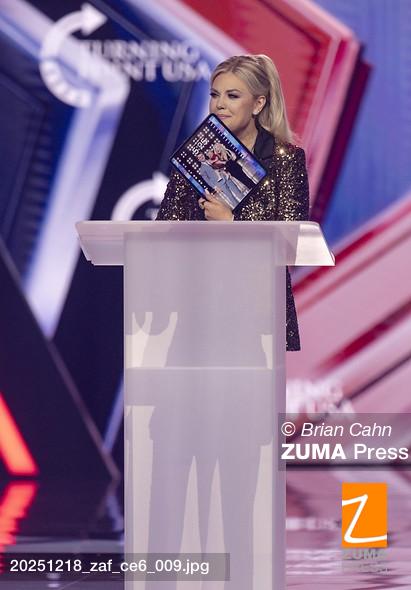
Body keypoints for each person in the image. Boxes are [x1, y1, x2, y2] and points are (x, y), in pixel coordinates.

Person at [156, 54, 309, 351]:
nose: (220, 104)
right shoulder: (194, 157)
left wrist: (232, 222)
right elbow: (166, 227)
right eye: (215, 95)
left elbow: (292, 241)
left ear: (258, 104)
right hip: (195, 302)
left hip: (258, 309)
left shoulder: (286, 160)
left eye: (233, 96)